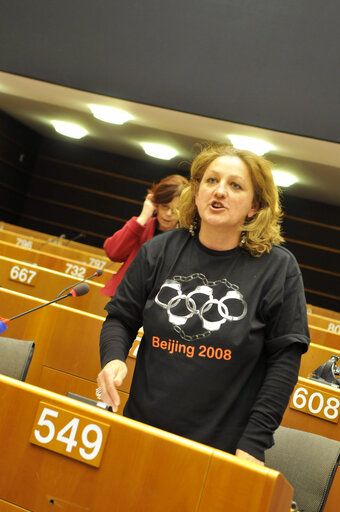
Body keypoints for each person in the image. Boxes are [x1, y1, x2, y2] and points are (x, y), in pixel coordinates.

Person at [97, 144, 310, 465]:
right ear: (196, 193)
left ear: (255, 206)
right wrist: (113, 359)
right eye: (211, 181)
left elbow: (284, 360)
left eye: (235, 185)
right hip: (140, 429)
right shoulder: (158, 251)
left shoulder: (278, 267)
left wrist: (254, 443)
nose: (219, 191)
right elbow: (120, 319)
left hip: (221, 449)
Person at [101, 174, 188, 296]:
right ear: (155, 204)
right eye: (165, 206)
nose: (168, 214)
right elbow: (113, 253)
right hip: (124, 297)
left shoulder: (186, 238)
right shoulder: (140, 226)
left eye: (175, 210)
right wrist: (143, 218)